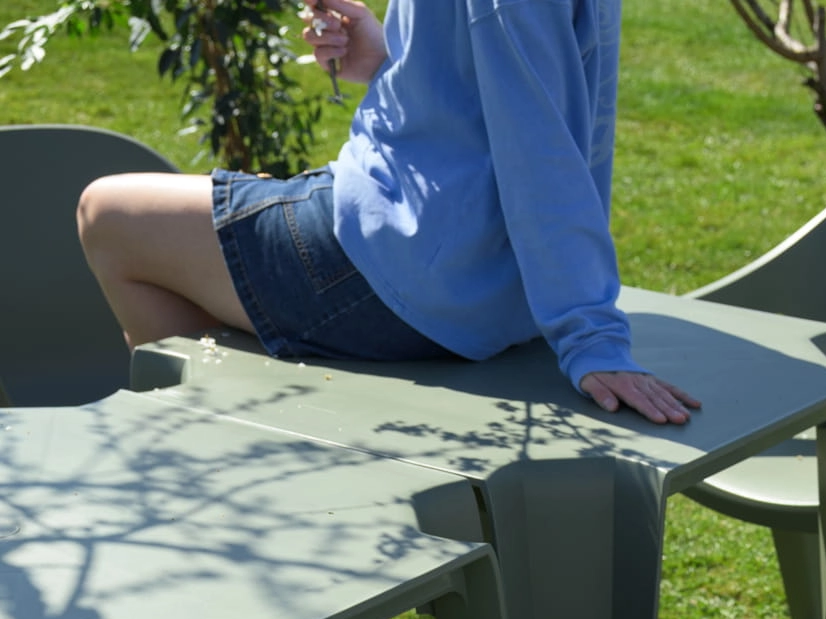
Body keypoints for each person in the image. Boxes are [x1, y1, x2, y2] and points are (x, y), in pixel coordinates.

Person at [76, 0, 698, 425]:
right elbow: (532, 82)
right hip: (491, 282)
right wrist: (394, 61)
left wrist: (592, 337)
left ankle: (227, 445)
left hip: (411, 269)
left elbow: (542, 143)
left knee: (108, 217)